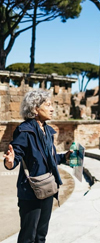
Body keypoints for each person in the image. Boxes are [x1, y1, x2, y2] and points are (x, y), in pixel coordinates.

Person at [3, 89, 72, 243]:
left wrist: (65, 157)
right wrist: (10, 162)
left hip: (47, 188)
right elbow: (16, 154)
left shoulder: (48, 131)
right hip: (31, 191)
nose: (52, 108)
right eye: (48, 105)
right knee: (28, 236)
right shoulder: (24, 130)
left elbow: (50, 158)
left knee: (41, 235)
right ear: (35, 109)